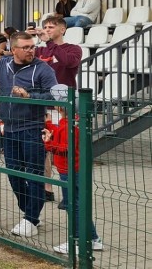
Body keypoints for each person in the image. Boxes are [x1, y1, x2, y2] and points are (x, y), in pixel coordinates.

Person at [0, 32, 57, 237]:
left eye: (32, 46)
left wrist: (30, 95)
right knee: (14, 174)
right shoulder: (4, 64)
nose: (30, 50)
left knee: (34, 175)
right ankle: (30, 212)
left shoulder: (43, 69)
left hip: (32, 128)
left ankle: (31, 218)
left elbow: (55, 93)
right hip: (9, 128)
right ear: (14, 49)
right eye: (25, 47)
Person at [44, 85, 104, 254]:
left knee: (73, 205)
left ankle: (78, 240)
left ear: (60, 107)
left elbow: (64, 148)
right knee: (77, 203)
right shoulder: (71, 122)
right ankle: (93, 238)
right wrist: (50, 126)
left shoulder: (70, 126)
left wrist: (48, 143)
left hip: (69, 170)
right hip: (70, 169)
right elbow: (61, 134)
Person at [30, 16, 82, 203]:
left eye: (51, 27)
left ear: (63, 29)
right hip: (42, 103)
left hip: (62, 107)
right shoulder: (40, 49)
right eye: (45, 27)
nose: (47, 30)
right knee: (44, 146)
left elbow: (68, 62)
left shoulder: (73, 48)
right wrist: (26, 40)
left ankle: (69, 192)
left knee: (62, 148)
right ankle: (47, 188)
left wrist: (51, 43)